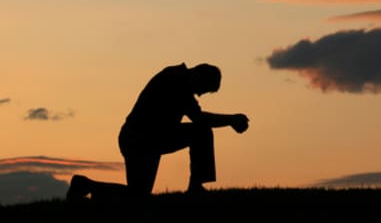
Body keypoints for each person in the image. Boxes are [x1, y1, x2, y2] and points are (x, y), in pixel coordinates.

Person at [67, 62, 249, 201]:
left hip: (149, 138)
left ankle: (85, 185)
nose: (200, 94)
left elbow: (198, 117)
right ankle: (196, 188)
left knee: (138, 196)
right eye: (203, 89)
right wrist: (231, 120)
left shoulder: (179, 79)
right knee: (201, 131)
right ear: (198, 75)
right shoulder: (177, 80)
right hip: (141, 140)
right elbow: (200, 119)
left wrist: (230, 120)